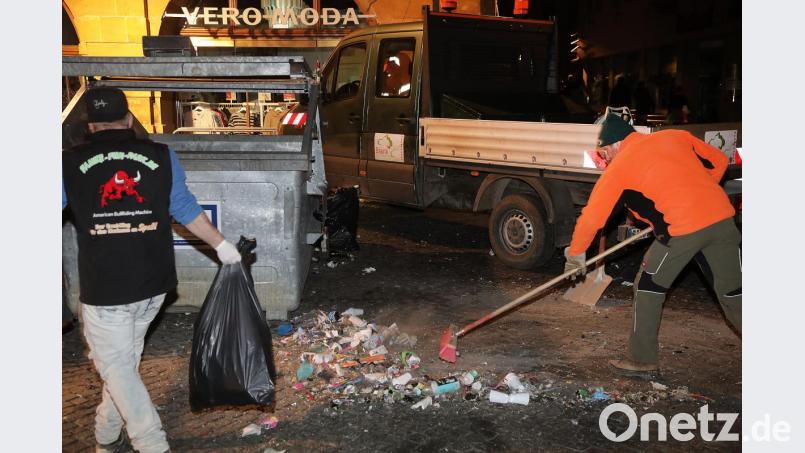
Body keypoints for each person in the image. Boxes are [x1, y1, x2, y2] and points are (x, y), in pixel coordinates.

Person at [62, 87, 242, 453]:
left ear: (90, 126)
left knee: (116, 367)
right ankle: (106, 435)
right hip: (154, 285)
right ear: (129, 119)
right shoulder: (161, 155)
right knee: (122, 364)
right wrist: (223, 247)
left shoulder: (66, 163)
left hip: (106, 289)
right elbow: (185, 208)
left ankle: (152, 444)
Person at [563, 113, 741, 375]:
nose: (605, 158)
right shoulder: (674, 136)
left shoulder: (620, 167)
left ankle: (642, 360)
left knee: (648, 286)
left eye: (604, 152)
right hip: (723, 219)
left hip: (681, 230)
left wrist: (575, 255)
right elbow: (716, 158)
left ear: (614, 144)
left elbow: (592, 218)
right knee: (734, 291)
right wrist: (700, 192)